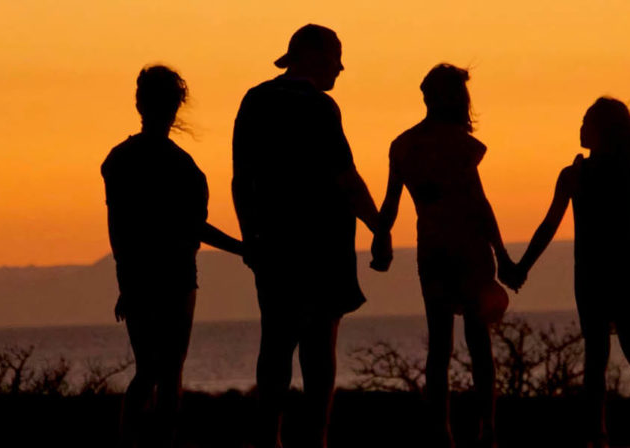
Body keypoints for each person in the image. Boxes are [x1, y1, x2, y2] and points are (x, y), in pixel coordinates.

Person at [509, 97, 630, 448]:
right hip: (615, 271)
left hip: (603, 273)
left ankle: (610, 435)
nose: (580, 129)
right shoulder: (597, 173)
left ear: (602, 131)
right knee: (626, 354)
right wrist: (523, 266)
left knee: (605, 357)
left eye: (586, 123)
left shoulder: (583, 174)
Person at [232, 24, 380, 448]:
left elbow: (241, 180)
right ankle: (316, 440)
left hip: (272, 244)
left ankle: (269, 438)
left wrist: (250, 236)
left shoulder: (255, 100)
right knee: (318, 351)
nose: (341, 67)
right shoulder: (320, 107)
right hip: (323, 246)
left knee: (275, 345)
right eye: (336, 56)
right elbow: (347, 178)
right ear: (315, 57)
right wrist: (380, 228)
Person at [372, 64, 515, 448]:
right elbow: (479, 204)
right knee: (478, 342)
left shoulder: (404, 145)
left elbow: (390, 204)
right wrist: (502, 253)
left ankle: (443, 432)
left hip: (432, 249)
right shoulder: (459, 145)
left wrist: (381, 237)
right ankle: (486, 429)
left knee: (440, 345)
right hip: (468, 248)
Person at [102, 64, 244, 448]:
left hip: (154, 276)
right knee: (164, 371)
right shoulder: (179, 166)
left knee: (153, 371)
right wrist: (242, 249)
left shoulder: (123, 160)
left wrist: (126, 282)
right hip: (171, 277)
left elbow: (120, 232)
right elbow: (193, 227)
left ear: (139, 103)